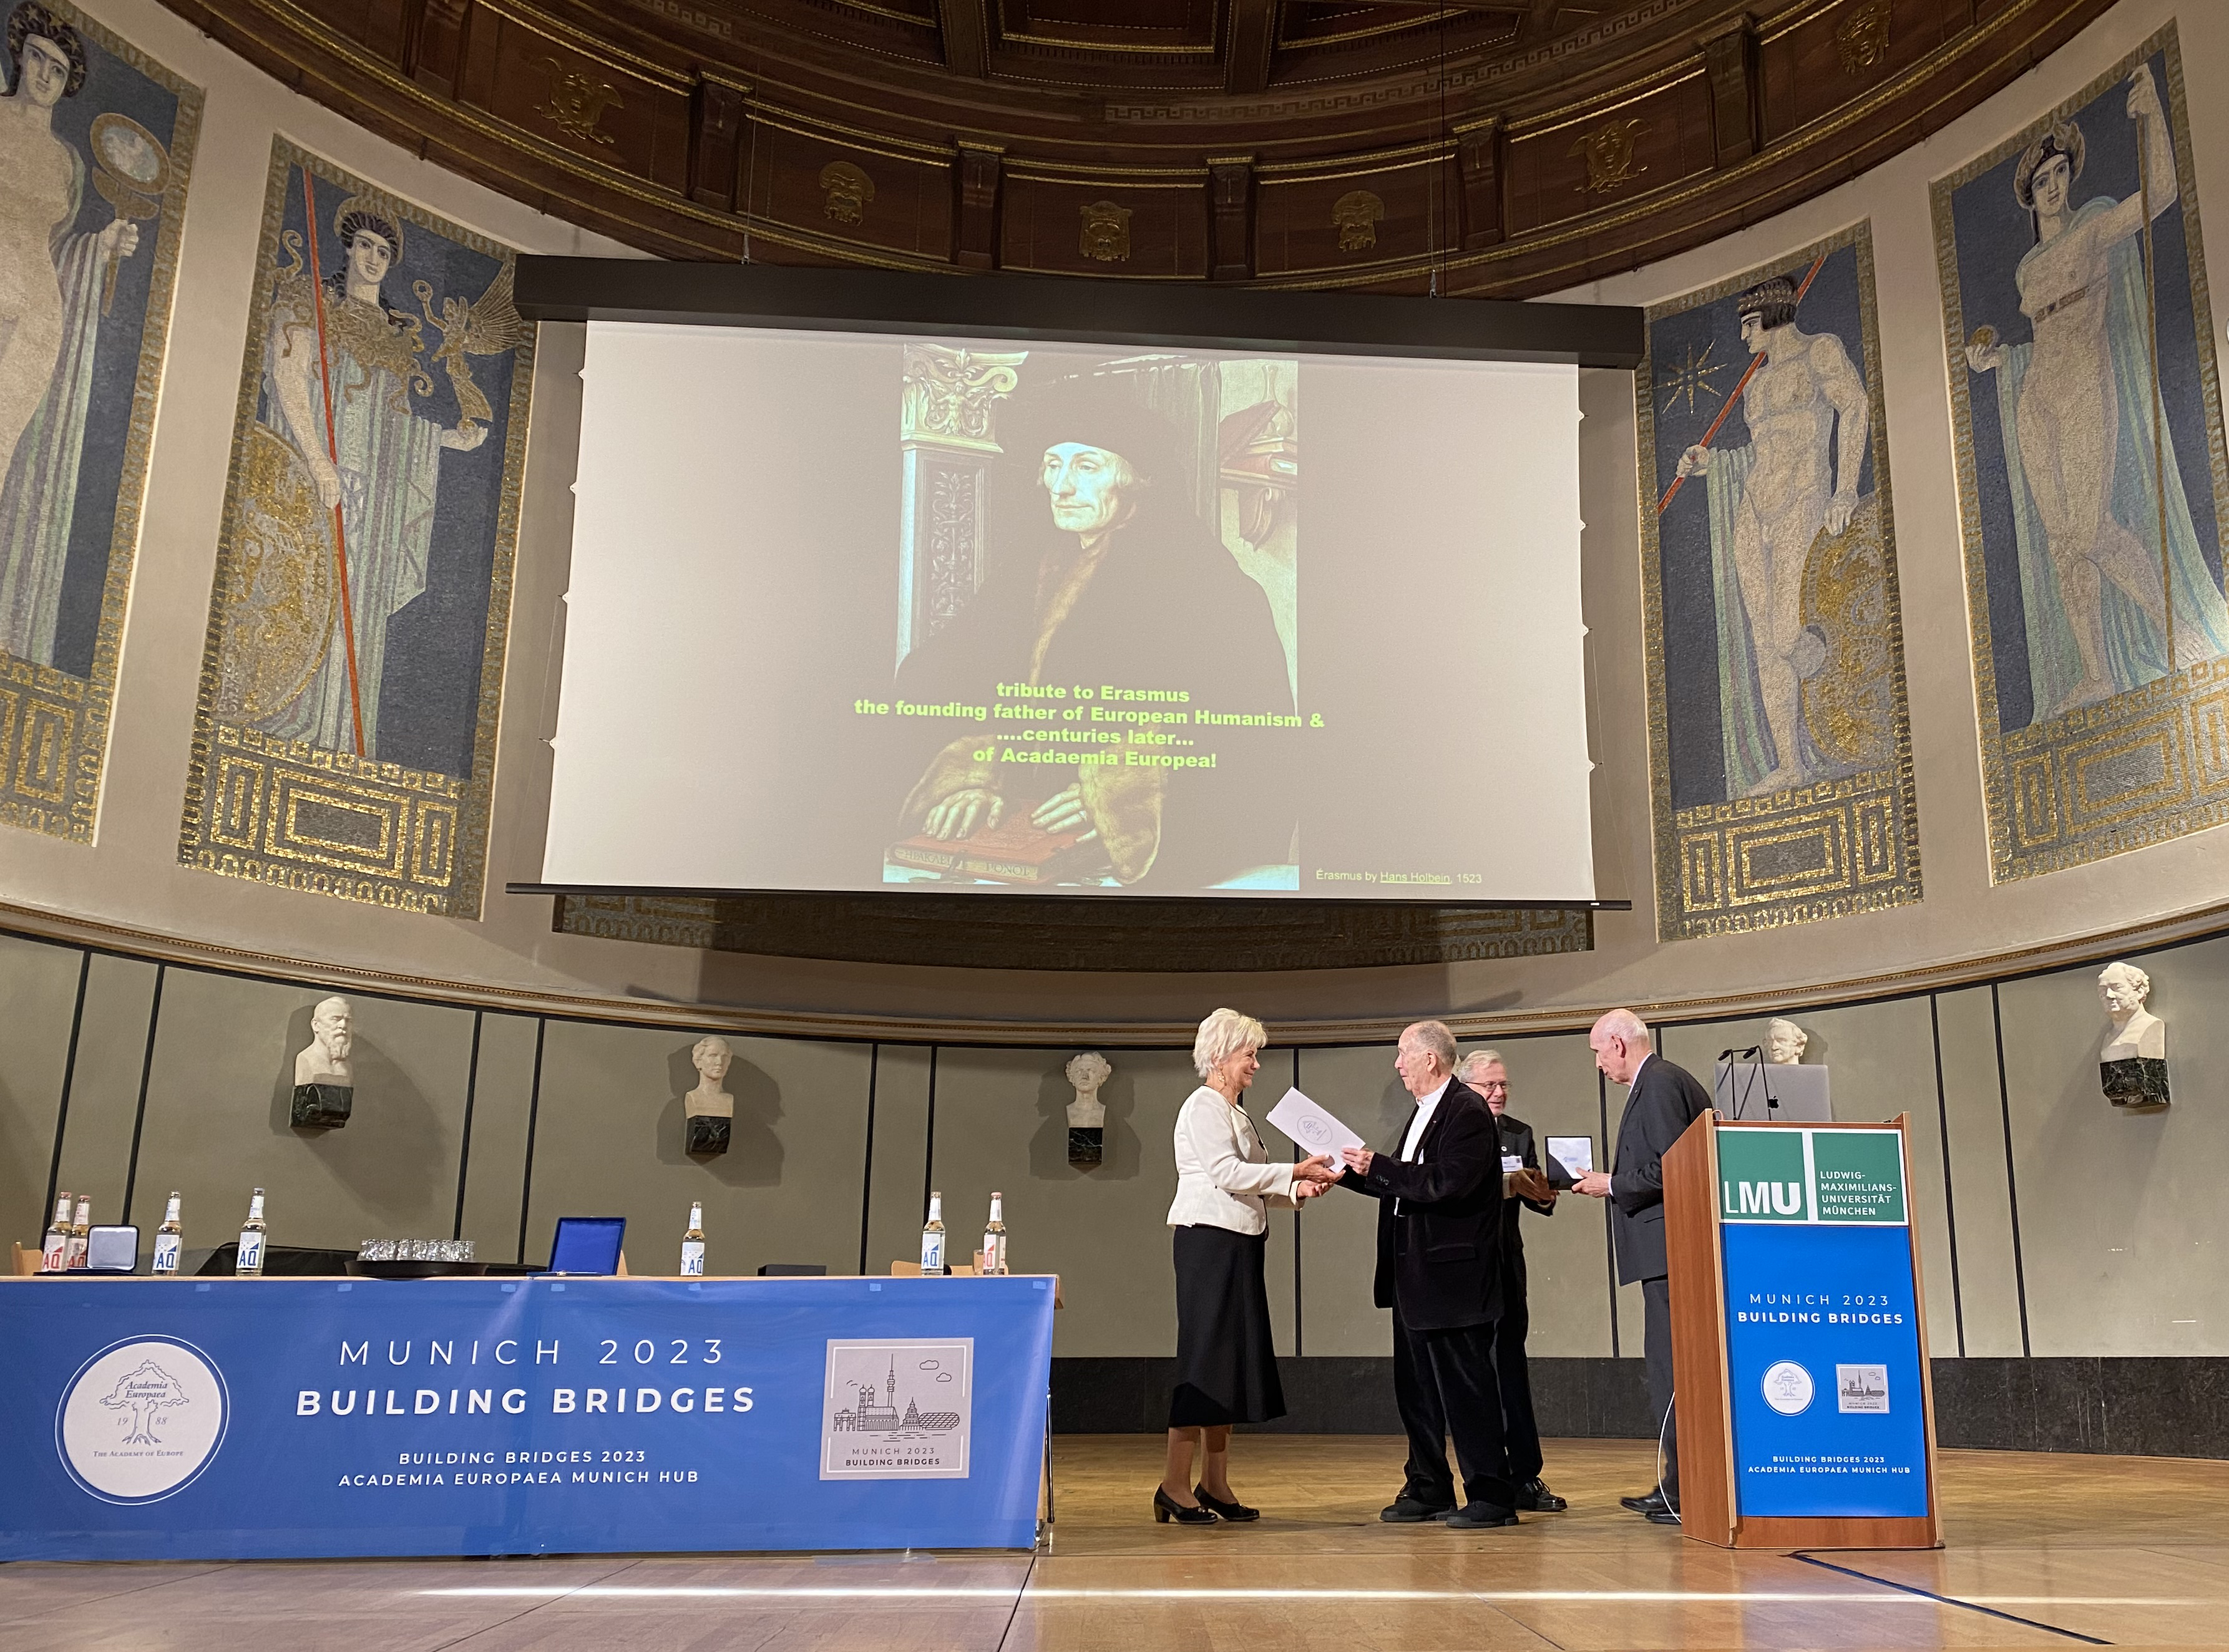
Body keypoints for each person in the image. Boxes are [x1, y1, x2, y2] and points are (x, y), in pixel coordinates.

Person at [893, 377, 1297, 888]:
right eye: (1053, 465)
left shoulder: (1207, 585)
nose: (1061, 487)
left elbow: (1254, 740)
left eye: (1086, 467)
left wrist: (1114, 798)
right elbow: (938, 679)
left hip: (1130, 861)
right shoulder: (1025, 575)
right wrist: (976, 777)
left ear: (1134, 482)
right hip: (1019, 834)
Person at [1964, 66, 2228, 718]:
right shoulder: (2027, 267)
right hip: (2037, 396)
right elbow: (2038, 335)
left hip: (2085, 381)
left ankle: (2178, 633)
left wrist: (2152, 117)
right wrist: (1996, 359)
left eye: (2058, 176)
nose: (2053, 188)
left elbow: (2162, 193)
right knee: (2061, 541)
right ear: (2028, 197)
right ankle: (2093, 672)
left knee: (2091, 527)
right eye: (2041, 182)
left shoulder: (2092, 227)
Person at [1674, 273, 1870, 796]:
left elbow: (1854, 406)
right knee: (1765, 641)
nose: (1744, 337)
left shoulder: (1820, 352)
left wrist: (1846, 489)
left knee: (1787, 634)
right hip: (1753, 509)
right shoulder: (1757, 386)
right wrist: (1710, 464)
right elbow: (1760, 453)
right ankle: (1791, 764)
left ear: (1775, 314)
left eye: (1749, 324)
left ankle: (1832, 678)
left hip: (1803, 499)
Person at [0, 4, 144, 666]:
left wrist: (102, 245)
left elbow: (60, 249)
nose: (44, 75)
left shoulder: (66, 161)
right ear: (18, 57)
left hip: (37, 312)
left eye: (58, 69)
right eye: (36, 59)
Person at [1334, 1019, 1518, 1530]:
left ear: (1430, 1060)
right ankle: (1428, 1486)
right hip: (1414, 1279)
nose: (1397, 1064)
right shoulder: (1424, 1113)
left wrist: (1381, 1167)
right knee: (1417, 1391)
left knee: (1466, 1390)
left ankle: (1491, 1495)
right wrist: (1350, 1173)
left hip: (1452, 1281)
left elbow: (1448, 1183)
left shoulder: (1466, 1111)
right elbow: (1407, 1185)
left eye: (1402, 1055)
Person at [1159, 1006, 1335, 1523]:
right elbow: (1225, 1172)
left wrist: (1297, 1188)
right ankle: (1174, 1484)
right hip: (1208, 1244)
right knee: (1203, 1361)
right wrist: (1292, 1169)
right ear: (1219, 1057)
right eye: (1248, 1054)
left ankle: (1214, 1483)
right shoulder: (1203, 1106)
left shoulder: (1236, 1112)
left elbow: (1251, 1183)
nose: (1256, 1064)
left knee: (1230, 1364)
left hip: (1238, 1242)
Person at [1572, 1009, 1711, 1525]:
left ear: (1619, 1044)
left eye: (1598, 1052)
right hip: (1670, 1253)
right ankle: (1681, 1483)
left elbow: (1674, 1165)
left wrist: (1610, 1183)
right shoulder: (1662, 1081)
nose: (1598, 1064)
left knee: (1673, 1370)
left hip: (1672, 1252)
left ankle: (1686, 1489)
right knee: (1672, 1368)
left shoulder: (1657, 1085)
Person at [1455, 1049, 1566, 1514]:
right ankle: (1479, 1479)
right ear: (1466, 1088)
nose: (1499, 1093)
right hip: (1461, 1270)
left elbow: (1542, 1202)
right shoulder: (1450, 1131)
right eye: (1489, 1086)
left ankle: (1525, 1476)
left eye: (1503, 1086)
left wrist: (1544, 1191)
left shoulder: (1518, 1133)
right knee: (1466, 1375)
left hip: (1504, 1264)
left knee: (1511, 1369)